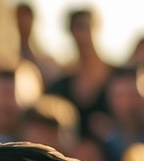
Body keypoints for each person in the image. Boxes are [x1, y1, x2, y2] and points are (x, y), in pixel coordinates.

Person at [48, 9, 115, 141]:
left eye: (86, 26)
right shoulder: (60, 84)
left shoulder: (116, 78)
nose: (82, 34)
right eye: (77, 27)